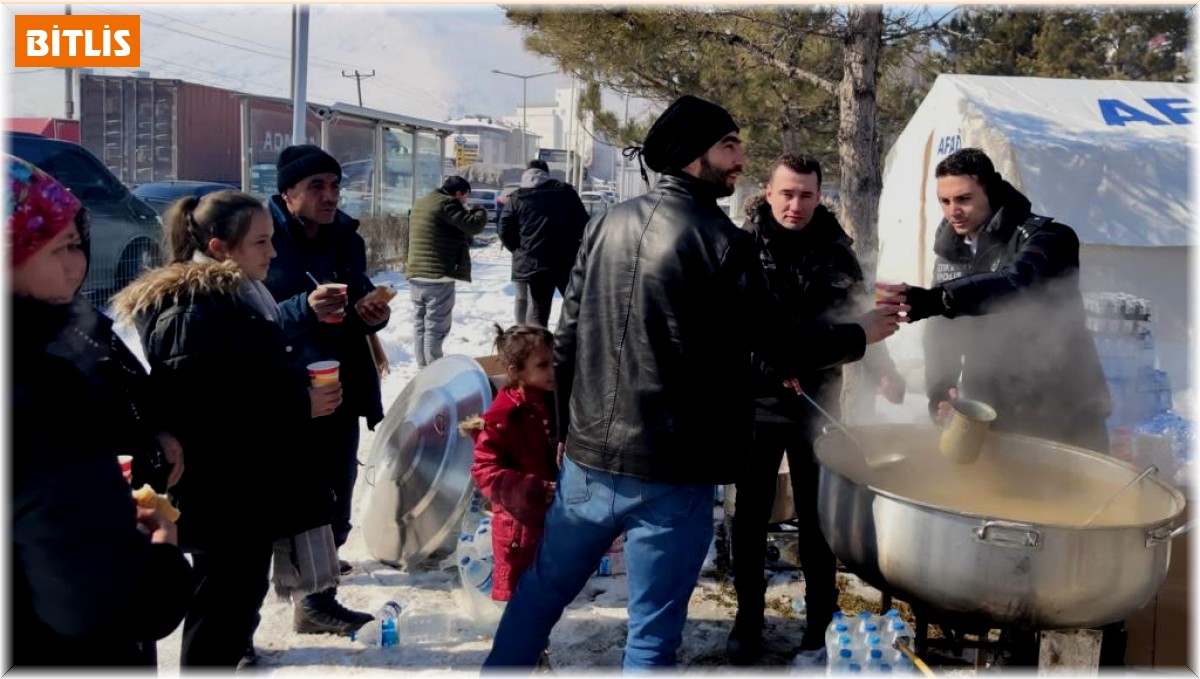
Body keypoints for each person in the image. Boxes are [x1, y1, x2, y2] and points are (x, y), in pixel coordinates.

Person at [481, 95, 904, 670]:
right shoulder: (721, 242)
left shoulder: (605, 223)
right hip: (670, 475)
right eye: (728, 145)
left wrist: (563, 434)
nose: (740, 158)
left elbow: (569, 342)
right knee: (652, 637)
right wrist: (859, 335)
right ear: (690, 155)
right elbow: (778, 345)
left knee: (541, 594)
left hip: (589, 461)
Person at [884, 147, 1118, 666]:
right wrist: (941, 386)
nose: (953, 210)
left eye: (964, 198)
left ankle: (1092, 651)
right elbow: (947, 328)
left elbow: (1017, 285)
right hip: (998, 408)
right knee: (1013, 531)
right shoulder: (952, 244)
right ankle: (1014, 647)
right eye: (944, 201)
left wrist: (939, 298)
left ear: (991, 189)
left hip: (1066, 409)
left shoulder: (1049, 236)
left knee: (1074, 536)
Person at [114, 190, 344, 668]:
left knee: (235, 594)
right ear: (220, 248)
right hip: (221, 488)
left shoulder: (235, 297)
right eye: (261, 242)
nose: (273, 253)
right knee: (222, 599)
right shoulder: (195, 308)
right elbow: (201, 409)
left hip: (241, 482)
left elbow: (239, 379)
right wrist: (300, 404)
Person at [9, 155, 193, 667]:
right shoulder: (40, 391)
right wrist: (160, 554)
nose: (77, 266)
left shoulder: (70, 337)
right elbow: (90, 603)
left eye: (79, 244)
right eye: (61, 247)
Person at [727, 155, 907, 664]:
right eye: (786, 193)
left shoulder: (837, 252)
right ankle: (748, 617)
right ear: (767, 192)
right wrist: (766, 365)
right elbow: (732, 331)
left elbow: (859, 321)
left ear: (820, 197)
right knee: (751, 514)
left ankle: (820, 618)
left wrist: (883, 368)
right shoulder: (742, 249)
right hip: (758, 400)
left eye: (806, 195)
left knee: (817, 515)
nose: (795, 204)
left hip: (818, 400)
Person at [263, 144, 391, 634]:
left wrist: (372, 313)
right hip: (287, 393)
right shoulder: (262, 237)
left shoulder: (345, 237)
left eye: (335, 185)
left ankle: (318, 598)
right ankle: (233, 631)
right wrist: (302, 309)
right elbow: (244, 319)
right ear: (287, 192)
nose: (330, 195)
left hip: (340, 383)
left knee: (336, 494)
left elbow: (358, 294)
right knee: (278, 511)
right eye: (316, 186)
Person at [469, 324, 559, 605]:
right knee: (522, 597)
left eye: (554, 362)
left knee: (544, 592)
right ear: (515, 371)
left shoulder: (551, 402)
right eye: (543, 365)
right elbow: (485, 471)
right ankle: (524, 648)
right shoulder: (503, 417)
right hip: (518, 528)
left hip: (549, 518)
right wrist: (531, 488)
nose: (553, 370)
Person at [405, 175, 488, 366]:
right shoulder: (447, 204)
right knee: (436, 327)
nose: (465, 202)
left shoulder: (423, 202)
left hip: (416, 272)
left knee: (420, 325)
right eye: (465, 197)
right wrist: (480, 211)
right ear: (458, 194)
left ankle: (423, 367)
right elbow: (474, 227)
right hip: (437, 275)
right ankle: (434, 369)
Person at [499, 162, 590, 327]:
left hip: (534, 264)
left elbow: (504, 230)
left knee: (538, 313)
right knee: (577, 308)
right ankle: (578, 349)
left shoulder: (516, 198)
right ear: (546, 174)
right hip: (566, 262)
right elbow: (584, 226)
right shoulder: (566, 193)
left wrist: (520, 250)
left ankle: (537, 349)